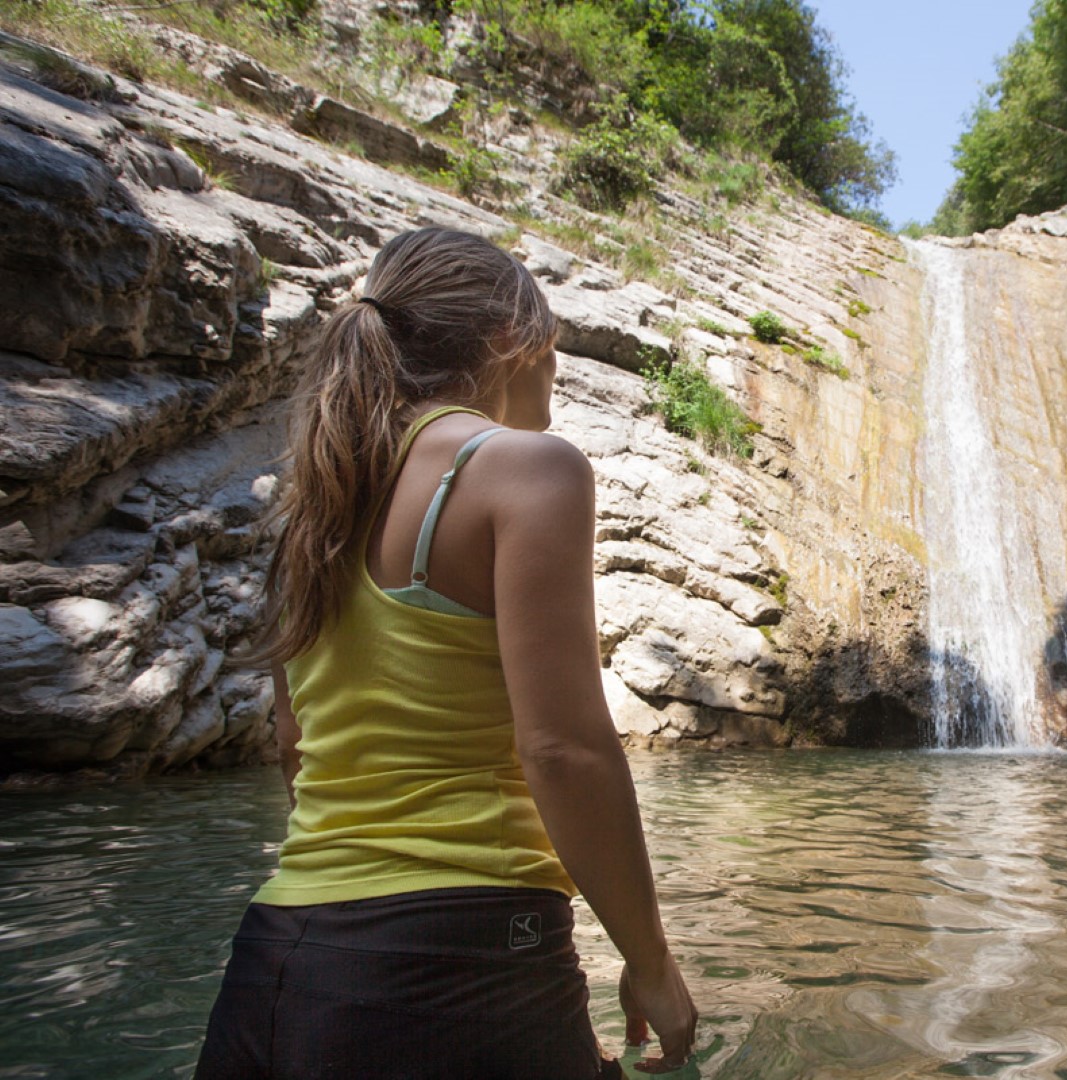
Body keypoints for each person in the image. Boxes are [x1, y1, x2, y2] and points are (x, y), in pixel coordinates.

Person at [195, 227, 696, 1079]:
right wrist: (650, 963)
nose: (557, 371)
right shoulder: (524, 470)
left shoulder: (318, 500)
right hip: (462, 949)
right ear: (508, 339)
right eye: (554, 347)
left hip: (278, 961)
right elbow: (562, 748)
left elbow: (294, 748)